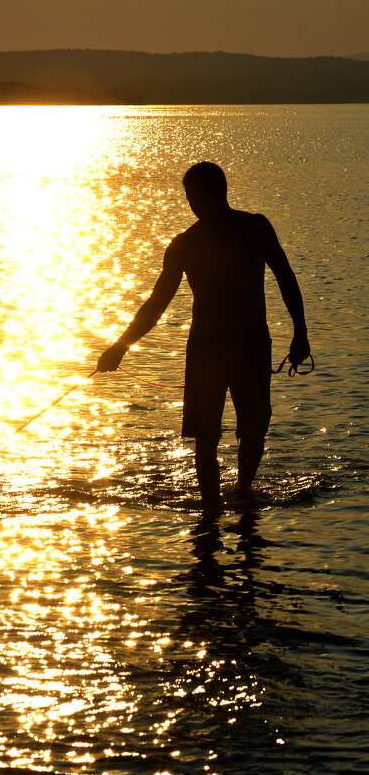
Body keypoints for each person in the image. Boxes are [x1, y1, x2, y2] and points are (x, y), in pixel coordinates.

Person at [97, 162, 310, 513]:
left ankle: (242, 490)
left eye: (194, 196)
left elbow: (286, 277)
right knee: (205, 436)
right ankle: (212, 506)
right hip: (207, 349)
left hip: (250, 344)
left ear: (216, 193)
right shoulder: (184, 244)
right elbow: (157, 302)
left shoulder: (255, 228)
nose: (191, 204)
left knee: (254, 428)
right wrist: (121, 346)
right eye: (188, 197)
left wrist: (300, 333)